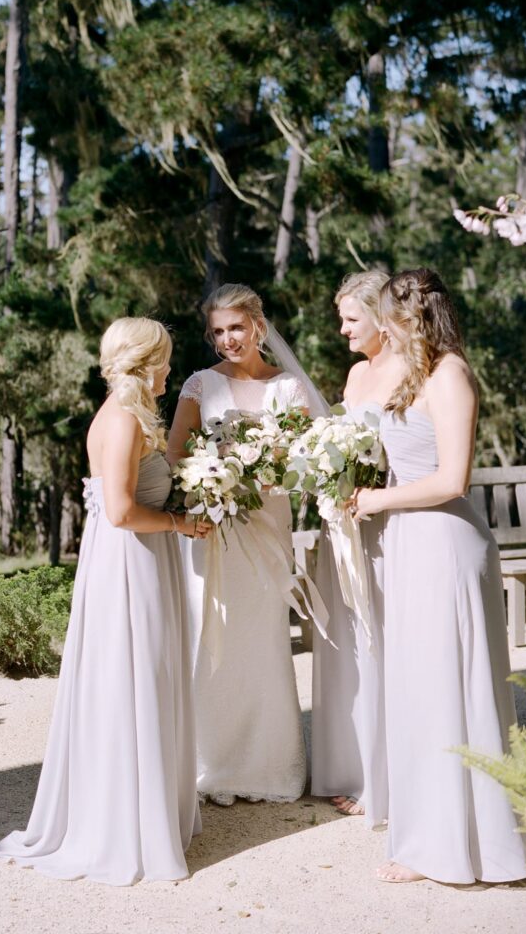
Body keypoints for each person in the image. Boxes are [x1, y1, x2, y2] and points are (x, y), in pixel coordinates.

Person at [0, 317, 209, 885]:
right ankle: (126, 827)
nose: (169, 368)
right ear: (144, 363)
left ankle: (150, 812)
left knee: (151, 679)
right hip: (130, 562)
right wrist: (180, 522)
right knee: (132, 679)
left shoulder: (135, 417)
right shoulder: (119, 421)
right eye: (164, 359)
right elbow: (118, 512)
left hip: (144, 557)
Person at [352, 269, 526, 885]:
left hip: (444, 541)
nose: (382, 329)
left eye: (390, 319)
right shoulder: (408, 375)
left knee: (447, 689)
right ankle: (427, 833)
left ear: (413, 319)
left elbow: (453, 479)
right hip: (408, 541)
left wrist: (377, 502)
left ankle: (458, 844)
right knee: (416, 689)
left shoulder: (451, 374)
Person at [167, 283, 309, 806]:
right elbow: (176, 454)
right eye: (218, 331)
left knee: (264, 637)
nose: (228, 339)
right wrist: (209, 478)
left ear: (257, 325)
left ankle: (270, 768)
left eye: (236, 327)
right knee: (213, 635)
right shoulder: (201, 385)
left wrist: (270, 477)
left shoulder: (288, 388)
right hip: (214, 533)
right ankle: (213, 765)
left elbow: (306, 461)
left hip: (267, 529)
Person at [311, 270, 398, 824]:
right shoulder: (356, 372)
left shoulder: (412, 371)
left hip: (386, 523)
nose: (342, 330)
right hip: (343, 524)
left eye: (350, 319)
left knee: (385, 642)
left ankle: (389, 782)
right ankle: (356, 768)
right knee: (352, 643)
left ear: (382, 316)